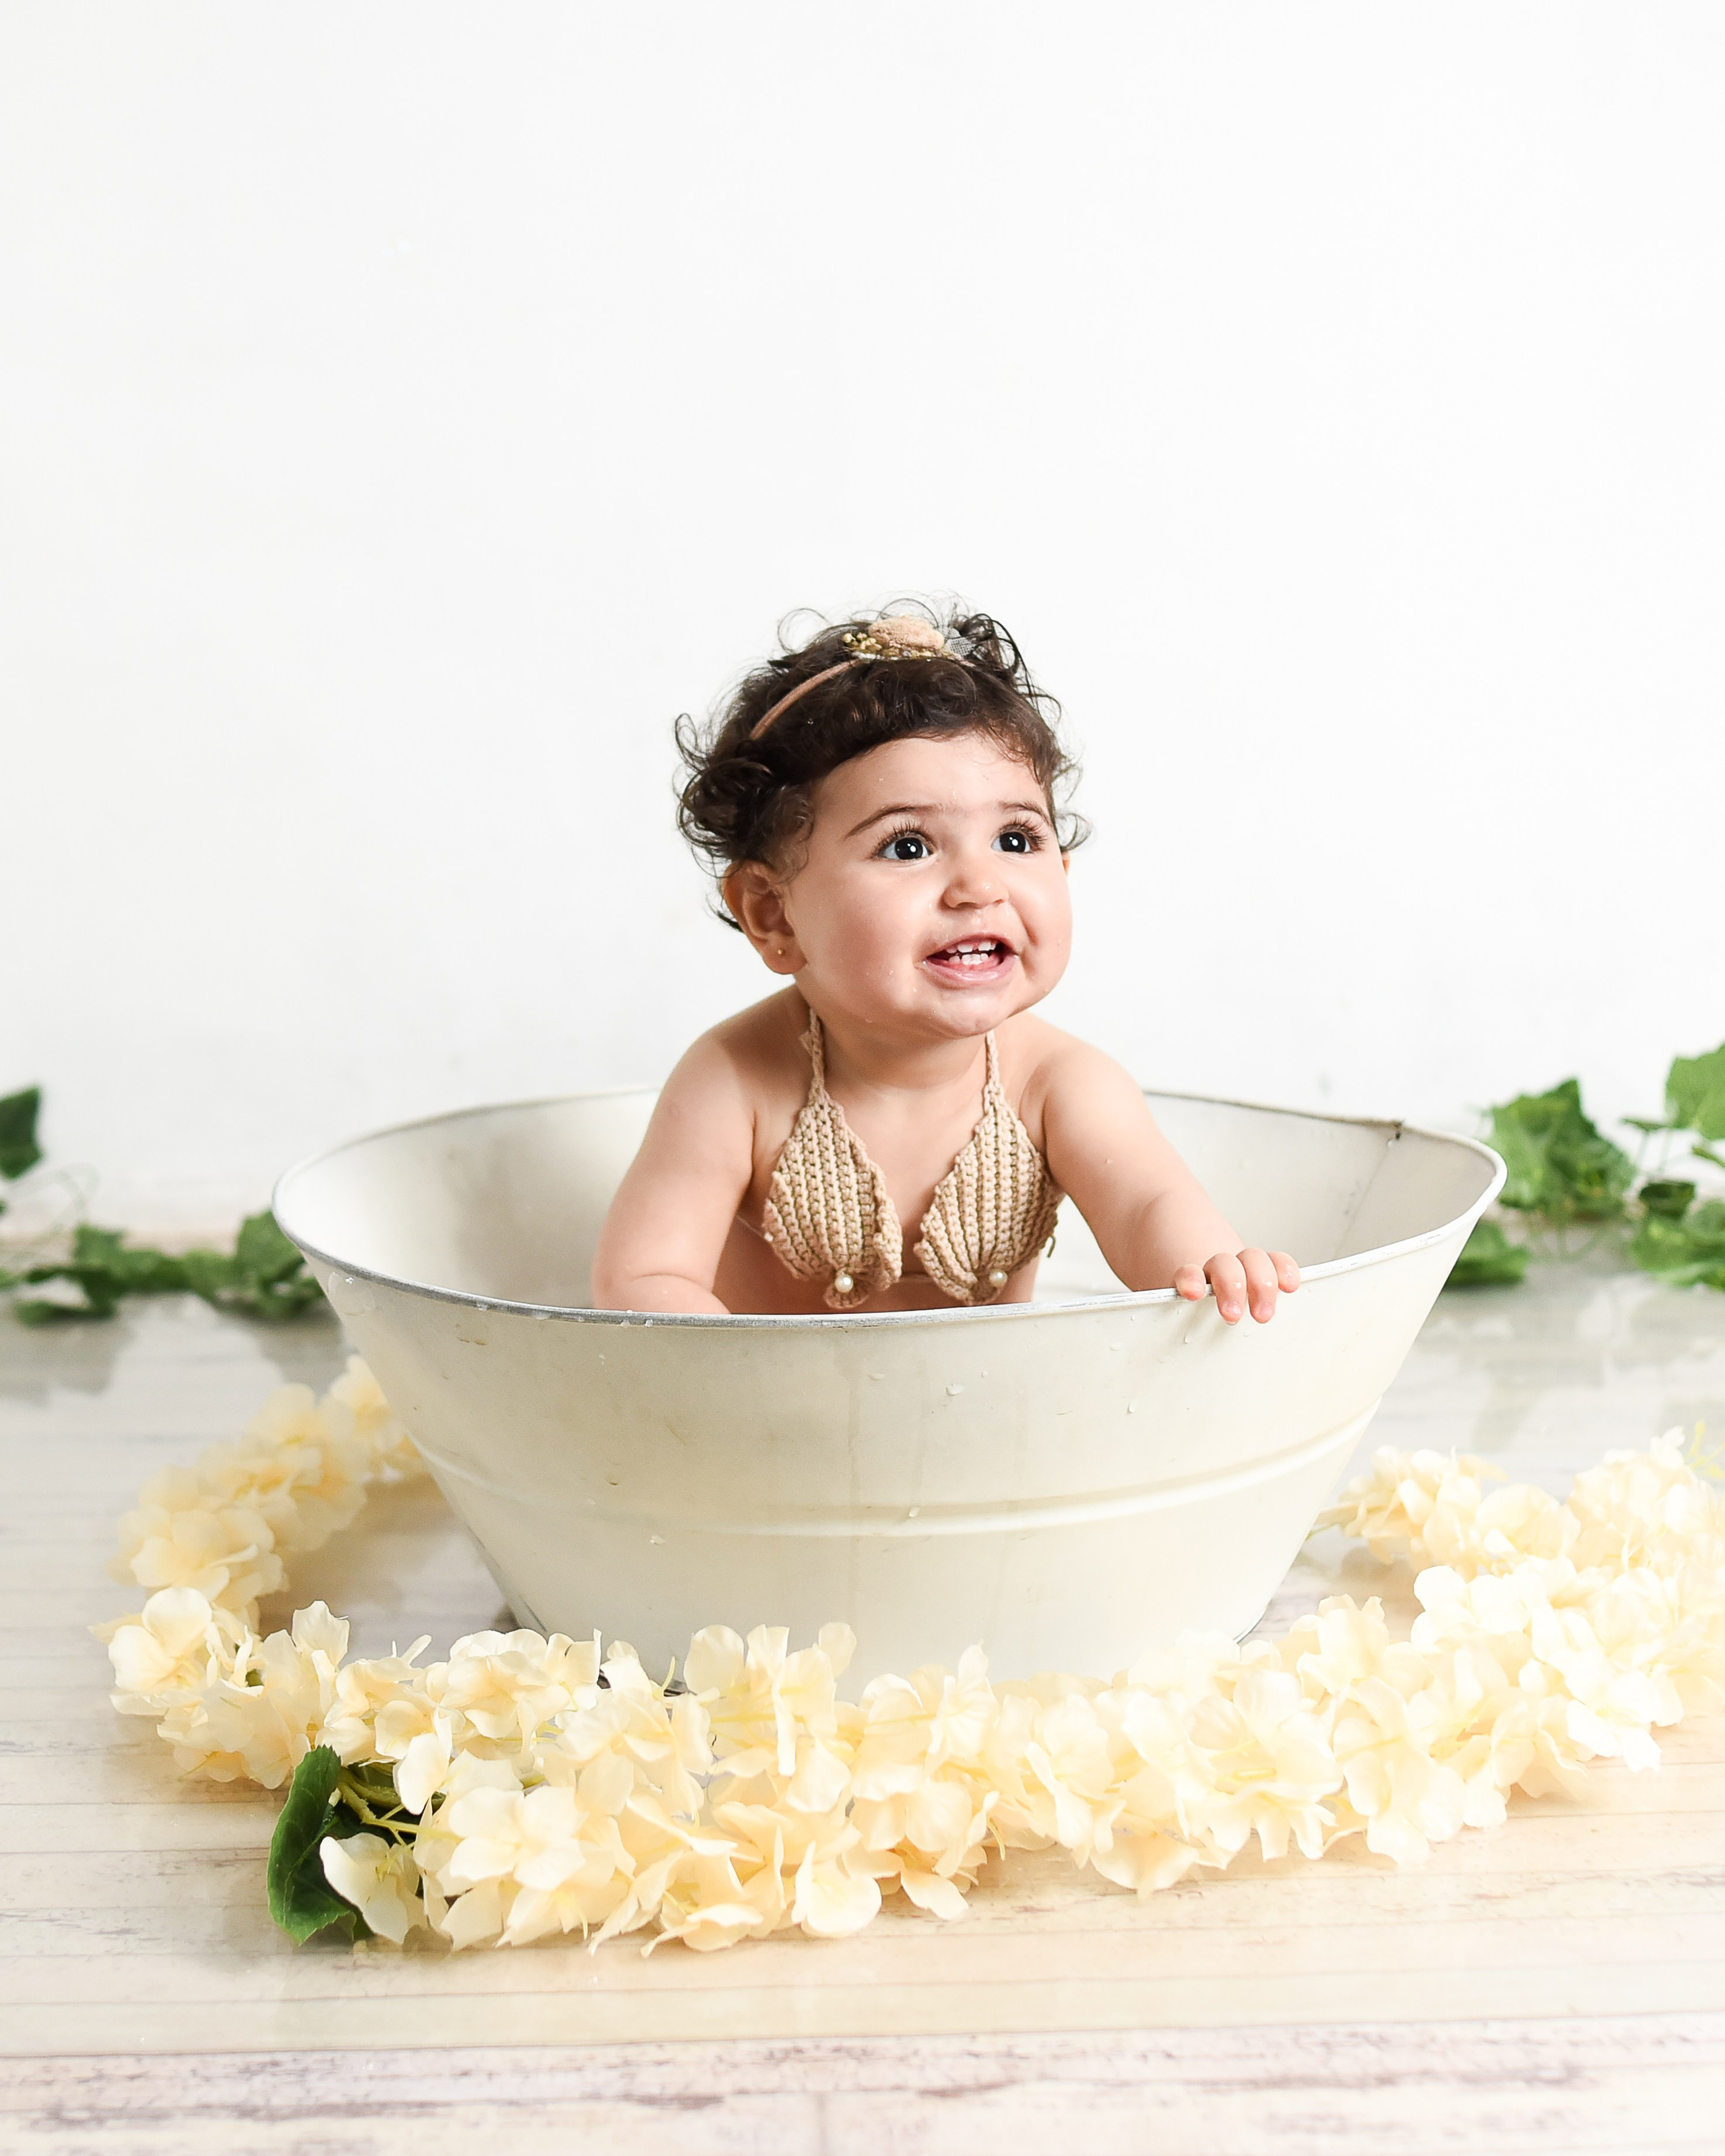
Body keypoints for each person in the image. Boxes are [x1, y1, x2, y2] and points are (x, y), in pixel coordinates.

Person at [592, 608, 1300, 1323]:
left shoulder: (1056, 1084)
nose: (978, 885)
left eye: (1016, 838)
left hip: (981, 1419)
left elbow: (1148, 1204)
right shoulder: (733, 1084)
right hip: (776, 1421)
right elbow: (645, 1277)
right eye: (907, 846)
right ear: (774, 913)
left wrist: (1211, 1266)